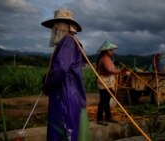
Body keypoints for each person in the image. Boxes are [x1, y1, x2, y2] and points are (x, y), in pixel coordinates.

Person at [41, 9, 90, 141]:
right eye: (54, 26)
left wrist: (48, 85)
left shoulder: (67, 42)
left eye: (57, 25)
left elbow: (61, 70)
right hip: (70, 96)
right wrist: (48, 76)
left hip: (65, 97)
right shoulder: (70, 42)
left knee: (64, 134)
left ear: (66, 26)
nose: (55, 29)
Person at [96, 41, 121, 126]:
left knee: (106, 100)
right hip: (104, 81)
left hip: (108, 80)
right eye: (111, 50)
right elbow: (109, 70)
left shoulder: (108, 58)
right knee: (103, 100)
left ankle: (108, 117)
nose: (112, 51)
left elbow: (110, 67)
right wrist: (119, 71)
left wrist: (115, 64)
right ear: (106, 51)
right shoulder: (104, 58)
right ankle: (99, 119)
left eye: (112, 50)